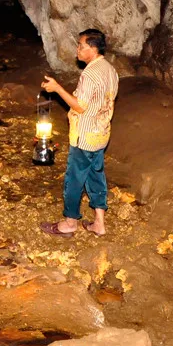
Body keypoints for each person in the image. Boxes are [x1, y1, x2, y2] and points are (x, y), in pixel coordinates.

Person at [39, 29, 119, 238]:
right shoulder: (110, 69)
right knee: (96, 176)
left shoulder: (90, 74)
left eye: (81, 46)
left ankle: (69, 222)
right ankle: (99, 223)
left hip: (85, 136)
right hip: (101, 133)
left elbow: (80, 106)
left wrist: (56, 88)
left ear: (92, 49)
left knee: (74, 179)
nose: (78, 49)